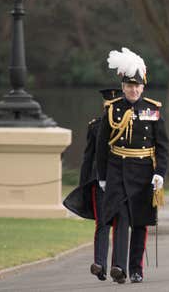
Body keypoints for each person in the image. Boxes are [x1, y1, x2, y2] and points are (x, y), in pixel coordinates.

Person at [96, 48, 169, 284]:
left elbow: (163, 146)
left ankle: (136, 269)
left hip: (144, 170)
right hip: (118, 168)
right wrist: (102, 175)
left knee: (139, 222)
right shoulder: (113, 108)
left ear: (143, 87)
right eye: (129, 85)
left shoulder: (152, 109)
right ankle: (118, 267)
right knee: (120, 218)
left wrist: (160, 173)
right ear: (123, 86)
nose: (133, 89)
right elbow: (101, 146)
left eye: (137, 86)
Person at [63, 88, 121, 281]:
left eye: (113, 105)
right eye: (107, 106)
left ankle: (117, 267)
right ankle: (100, 264)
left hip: (122, 180)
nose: (109, 108)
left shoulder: (130, 125)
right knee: (102, 222)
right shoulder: (95, 126)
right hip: (99, 180)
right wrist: (83, 186)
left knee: (120, 224)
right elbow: (88, 158)